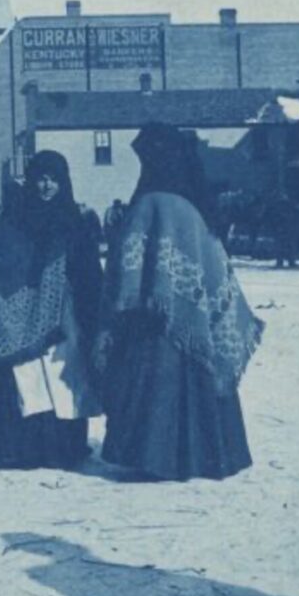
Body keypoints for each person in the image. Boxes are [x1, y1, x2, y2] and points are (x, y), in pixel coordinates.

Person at [97, 124, 259, 481]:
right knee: (201, 389)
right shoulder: (198, 208)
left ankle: (155, 459)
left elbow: (127, 267)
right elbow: (217, 268)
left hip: (151, 326)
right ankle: (212, 455)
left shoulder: (150, 203)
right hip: (196, 326)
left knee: (155, 393)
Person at [0, 151, 102, 469]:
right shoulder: (13, 221)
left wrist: (89, 307)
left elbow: (89, 271)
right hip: (18, 320)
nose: (46, 186)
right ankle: (18, 448)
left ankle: (66, 447)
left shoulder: (76, 223)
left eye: (53, 179)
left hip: (63, 319)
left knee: (60, 384)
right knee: (23, 380)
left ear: (63, 181)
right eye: (40, 178)